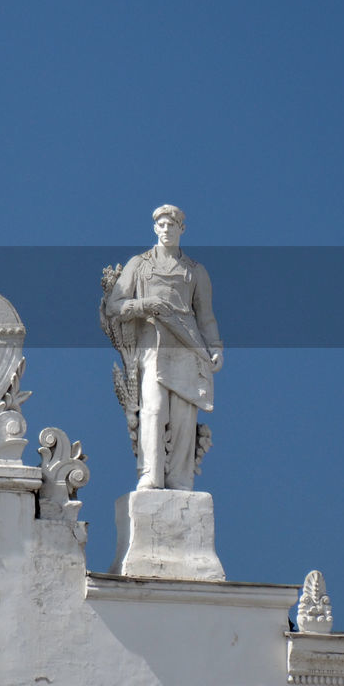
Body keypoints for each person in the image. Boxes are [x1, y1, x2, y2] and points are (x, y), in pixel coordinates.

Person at [105, 205, 223, 490]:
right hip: (152, 345)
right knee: (153, 410)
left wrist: (216, 347)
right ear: (154, 228)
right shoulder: (140, 264)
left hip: (187, 346)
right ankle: (151, 472)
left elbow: (205, 316)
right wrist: (145, 305)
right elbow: (114, 305)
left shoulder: (195, 271)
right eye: (161, 224)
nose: (167, 229)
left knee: (184, 416)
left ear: (182, 229)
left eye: (172, 225)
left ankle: (181, 478)